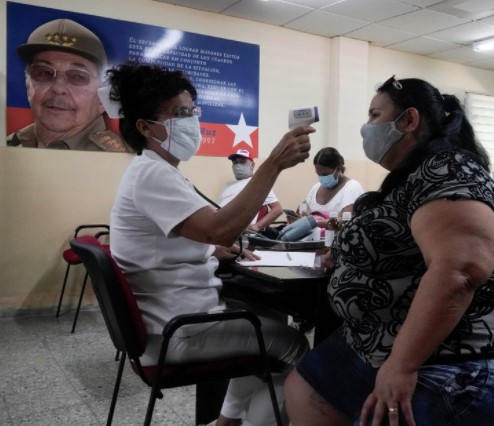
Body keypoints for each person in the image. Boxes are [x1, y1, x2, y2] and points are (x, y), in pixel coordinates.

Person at [284, 76, 494, 425]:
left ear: (409, 121)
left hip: (454, 355)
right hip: (381, 339)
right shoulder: (412, 176)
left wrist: (402, 365)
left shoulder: (450, 169)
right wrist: (346, 254)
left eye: (375, 115)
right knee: (305, 386)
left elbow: (461, 270)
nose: (366, 127)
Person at [105, 63, 313, 426]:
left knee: (267, 322)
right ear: (145, 126)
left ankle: (226, 422)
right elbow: (219, 228)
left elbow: (190, 239)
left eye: (192, 110)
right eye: (180, 113)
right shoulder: (152, 174)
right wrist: (273, 165)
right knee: (294, 347)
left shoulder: (157, 169)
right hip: (177, 330)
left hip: (174, 319)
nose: (191, 120)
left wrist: (211, 250)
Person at [7, 18, 129, 152]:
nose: (58, 89)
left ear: (101, 99)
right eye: (44, 72)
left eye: (78, 76)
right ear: (28, 85)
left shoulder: (119, 161)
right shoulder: (9, 145)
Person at [218, 148, 284, 233]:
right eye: (235, 162)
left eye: (242, 162)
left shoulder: (258, 183)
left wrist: (257, 226)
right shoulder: (227, 185)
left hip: (239, 234)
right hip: (219, 228)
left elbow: (277, 209)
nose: (238, 165)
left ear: (252, 165)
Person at [298, 147, 364, 228]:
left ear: (338, 169)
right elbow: (303, 206)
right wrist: (300, 216)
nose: (322, 178)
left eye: (325, 174)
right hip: (314, 238)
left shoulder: (352, 187)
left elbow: (346, 221)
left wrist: (317, 222)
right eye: (319, 174)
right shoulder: (316, 187)